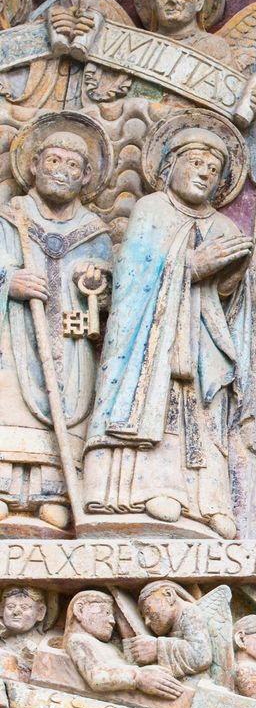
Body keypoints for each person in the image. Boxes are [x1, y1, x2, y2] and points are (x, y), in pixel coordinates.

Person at [83, 121, 252, 538]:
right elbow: (131, 279)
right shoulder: (152, 210)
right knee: (158, 408)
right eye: (194, 163)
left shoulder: (225, 227)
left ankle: (206, 500)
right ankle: (146, 490)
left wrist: (233, 275)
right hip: (149, 341)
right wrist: (191, 266)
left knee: (204, 415)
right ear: (170, 165)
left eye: (213, 171)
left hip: (202, 346)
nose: (203, 174)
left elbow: (231, 302)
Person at [0, 113, 111, 531]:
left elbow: (112, 289)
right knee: (10, 403)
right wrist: (8, 281)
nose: (60, 172)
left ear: (85, 177)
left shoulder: (92, 230)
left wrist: (95, 285)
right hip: (13, 336)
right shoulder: (10, 220)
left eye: (71, 166)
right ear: (32, 166)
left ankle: (54, 493)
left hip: (70, 337)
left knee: (70, 403)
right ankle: (7, 491)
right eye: (52, 161)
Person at [62, 590, 184, 701]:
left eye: (113, 615)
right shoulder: (78, 640)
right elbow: (97, 677)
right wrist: (139, 677)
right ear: (80, 610)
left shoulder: (109, 646)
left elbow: (130, 663)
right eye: (106, 612)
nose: (112, 620)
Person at [0, 586, 52, 673]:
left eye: (24, 607)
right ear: (1, 609)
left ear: (40, 612)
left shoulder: (44, 646)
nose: (16, 612)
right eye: (10, 606)